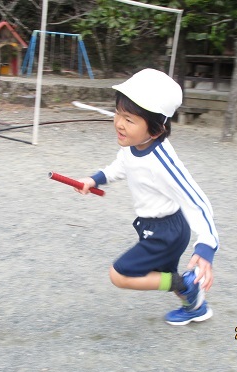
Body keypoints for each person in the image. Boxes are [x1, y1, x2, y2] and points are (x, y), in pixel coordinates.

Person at [75, 68, 219, 325]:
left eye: (129, 119)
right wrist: (94, 179)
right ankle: (194, 306)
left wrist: (207, 245)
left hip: (167, 231)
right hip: (156, 226)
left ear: (155, 130)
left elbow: (195, 199)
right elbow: (121, 166)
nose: (119, 123)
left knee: (119, 274)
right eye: (118, 113)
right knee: (163, 272)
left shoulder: (163, 162)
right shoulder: (134, 145)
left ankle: (186, 284)